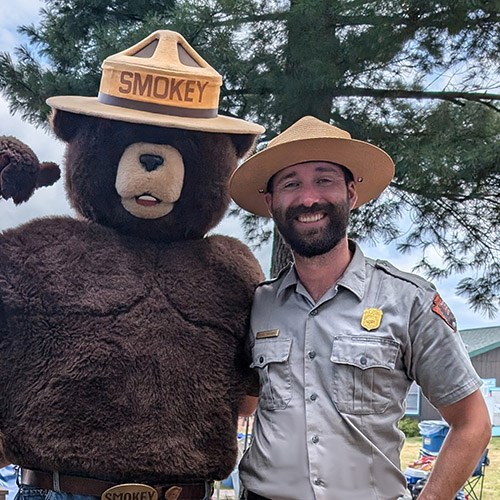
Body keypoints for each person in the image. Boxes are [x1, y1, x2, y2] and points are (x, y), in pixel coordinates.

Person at [230, 116, 491, 500]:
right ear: (271, 203)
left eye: (324, 180)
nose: (308, 198)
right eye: (291, 184)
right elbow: (245, 403)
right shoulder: (258, 304)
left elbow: (472, 422)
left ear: (351, 194)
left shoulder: (408, 300)